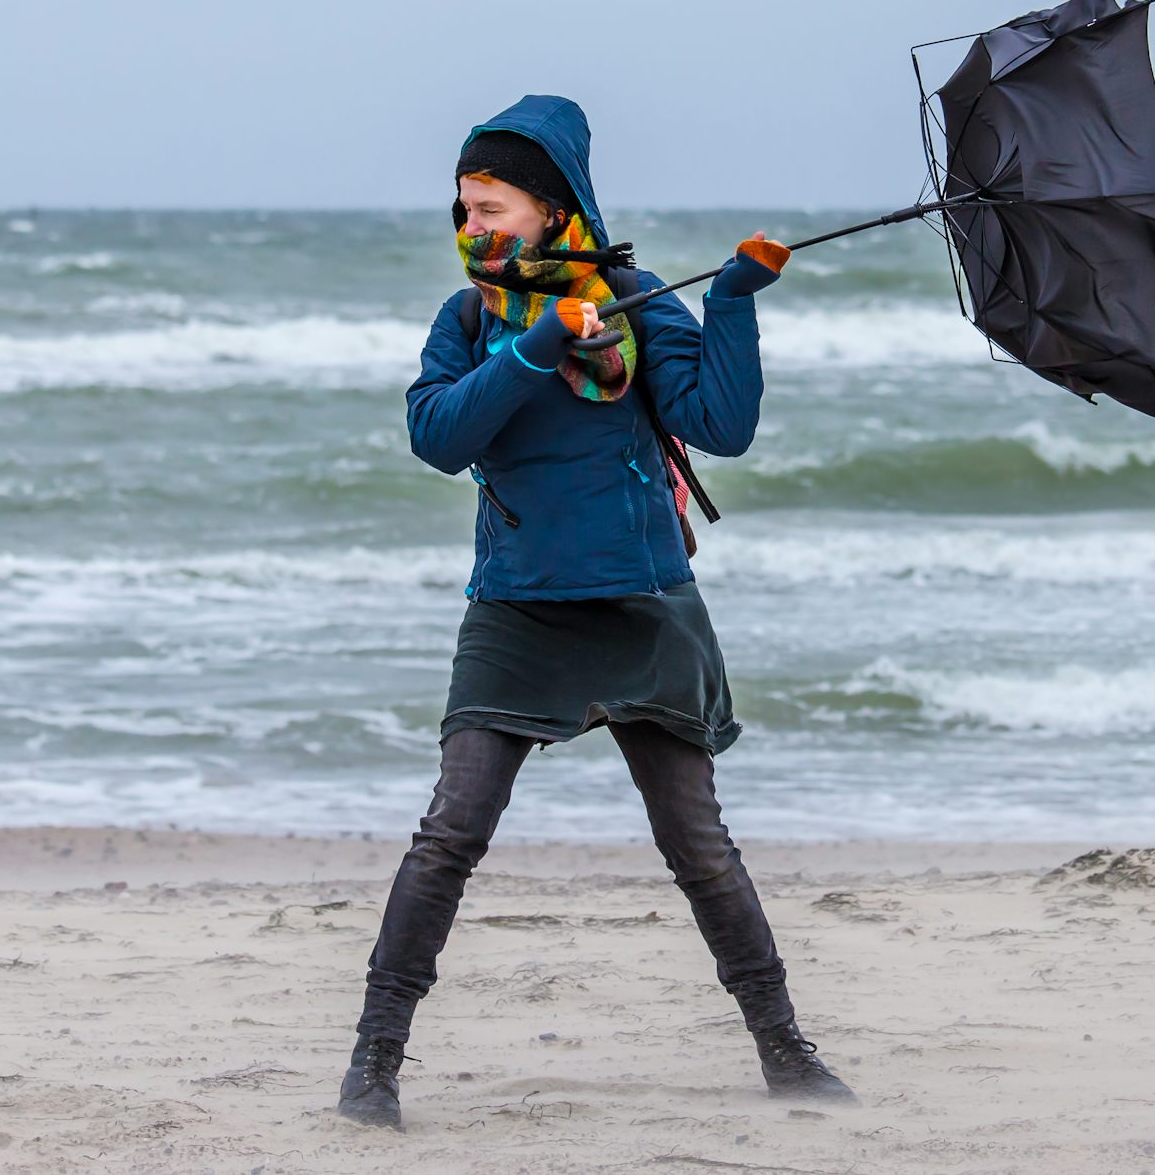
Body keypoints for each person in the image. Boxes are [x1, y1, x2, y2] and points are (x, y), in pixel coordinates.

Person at [335, 95, 857, 1131]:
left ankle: (786, 1052)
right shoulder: (473, 317)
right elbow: (438, 436)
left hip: (644, 604)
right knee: (450, 836)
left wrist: (739, 301)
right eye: (464, 208)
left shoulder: (633, 296)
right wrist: (532, 348)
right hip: (520, 609)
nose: (472, 227)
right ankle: (373, 1067)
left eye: (491, 208)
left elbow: (722, 426)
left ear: (550, 206)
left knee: (699, 847)